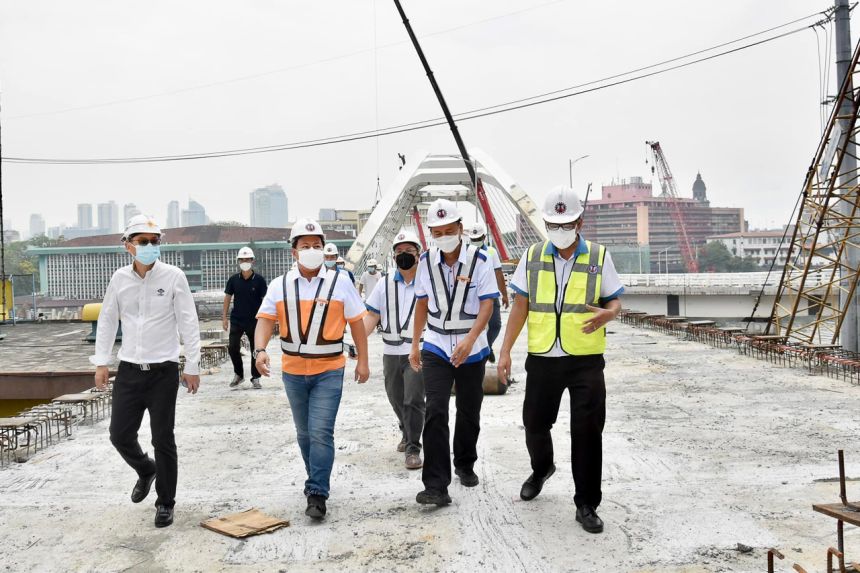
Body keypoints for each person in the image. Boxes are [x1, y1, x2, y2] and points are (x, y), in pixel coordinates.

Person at [496, 186, 624, 535]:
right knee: (535, 424)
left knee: (586, 431)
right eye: (553, 223)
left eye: (566, 222)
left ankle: (586, 504)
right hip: (542, 358)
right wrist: (505, 350)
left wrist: (607, 316)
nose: (560, 229)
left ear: (580, 221)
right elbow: (520, 304)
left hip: (585, 359)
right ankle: (542, 469)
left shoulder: (598, 256)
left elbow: (615, 301)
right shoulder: (533, 255)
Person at [254, 218, 370, 520]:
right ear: (294, 252)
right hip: (293, 371)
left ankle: (318, 492)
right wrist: (260, 350)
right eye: (305, 246)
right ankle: (315, 477)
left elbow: (357, 321)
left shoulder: (340, 282)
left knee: (320, 431)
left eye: (316, 246)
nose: (311, 250)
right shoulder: (279, 285)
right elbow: (265, 320)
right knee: (304, 433)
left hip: (329, 369)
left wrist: (364, 360)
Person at [91, 214, 201, 529]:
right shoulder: (119, 280)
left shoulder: (174, 277)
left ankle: (165, 503)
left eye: (154, 241)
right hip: (129, 371)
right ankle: (145, 469)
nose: (150, 246)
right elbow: (109, 320)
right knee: (119, 434)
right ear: (128, 246)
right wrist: (102, 362)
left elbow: (188, 322)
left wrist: (191, 366)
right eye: (142, 241)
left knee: (163, 438)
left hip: (163, 371)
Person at [408, 199, 499, 506]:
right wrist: (415, 343)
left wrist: (471, 340)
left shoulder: (481, 260)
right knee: (435, 410)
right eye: (438, 231)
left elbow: (488, 303)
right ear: (431, 233)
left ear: (461, 229)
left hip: (472, 348)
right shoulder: (426, 261)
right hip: (435, 344)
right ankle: (436, 485)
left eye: (450, 230)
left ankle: (465, 462)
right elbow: (422, 302)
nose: (444, 236)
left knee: (469, 409)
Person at [363, 230, 425, 470]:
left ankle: (413, 447)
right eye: (399, 252)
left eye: (409, 251)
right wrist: (359, 340)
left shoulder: (427, 281)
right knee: (395, 397)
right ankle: (406, 430)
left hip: (417, 351)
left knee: (413, 399)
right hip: (391, 351)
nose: (404, 256)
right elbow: (372, 315)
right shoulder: (385, 283)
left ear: (419, 255)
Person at [222, 246, 267, 389]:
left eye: (247, 259)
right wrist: (224, 318)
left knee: (256, 349)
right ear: (238, 261)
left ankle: (256, 377)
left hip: (255, 321)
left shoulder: (259, 280)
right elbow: (227, 298)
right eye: (242, 259)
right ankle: (239, 374)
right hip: (237, 320)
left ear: (252, 261)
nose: (245, 261)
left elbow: (265, 300)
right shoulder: (233, 280)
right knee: (233, 347)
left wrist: (266, 320)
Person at [466, 221, 509, 363]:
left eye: (478, 239)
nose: (476, 242)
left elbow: (498, 274)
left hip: (490, 295)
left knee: (495, 325)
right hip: (472, 296)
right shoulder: (465, 253)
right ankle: (478, 352)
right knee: (474, 327)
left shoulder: (491, 252)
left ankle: (487, 346)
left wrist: (504, 295)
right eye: (473, 240)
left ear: (484, 237)